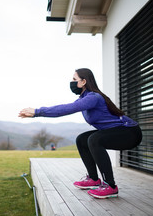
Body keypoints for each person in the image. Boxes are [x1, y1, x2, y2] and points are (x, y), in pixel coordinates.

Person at [18, 68, 142, 199]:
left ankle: (110, 186)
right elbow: (68, 107)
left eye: (74, 79)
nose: (71, 82)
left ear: (83, 82)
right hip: (118, 132)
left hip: (130, 133)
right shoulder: (85, 98)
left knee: (94, 140)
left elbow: (66, 109)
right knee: (82, 139)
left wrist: (37, 111)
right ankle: (93, 179)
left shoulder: (93, 97)